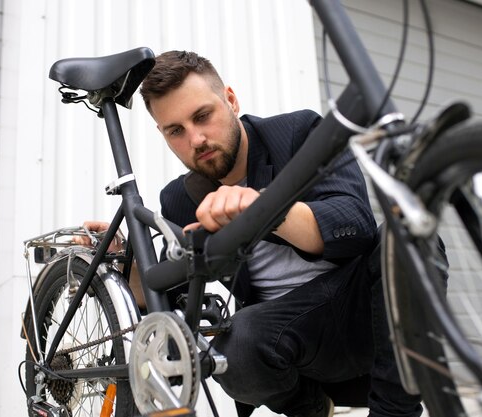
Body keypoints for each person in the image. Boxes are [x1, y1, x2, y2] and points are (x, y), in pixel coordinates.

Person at [83, 50, 423, 417]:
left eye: (202, 116)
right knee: (233, 343)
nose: (196, 139)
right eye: (176, 131)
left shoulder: (299, 133)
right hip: (283, 338)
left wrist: (262, 208)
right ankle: (311, 409)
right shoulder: (179, 200)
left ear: (230, 99)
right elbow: (162, 299)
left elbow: (355, 226)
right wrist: (126, 261)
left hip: (366, 313)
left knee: (407, 236)